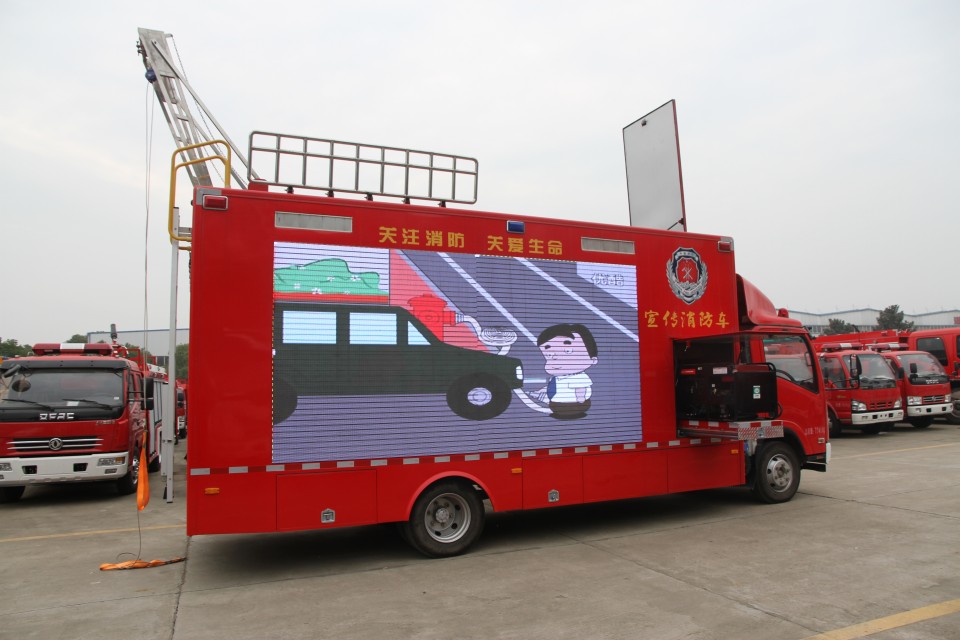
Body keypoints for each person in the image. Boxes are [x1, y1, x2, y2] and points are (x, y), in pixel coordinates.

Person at [534, 323, 598, 419]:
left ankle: (572, 411)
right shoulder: (559, 377)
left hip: (575, 404)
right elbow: (554, 386)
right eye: (549, 355)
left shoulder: (578, 376)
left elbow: (580, 388)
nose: (556, 358)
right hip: (557, 403)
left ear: (592, 360)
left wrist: (580, 399)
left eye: (568, 351)